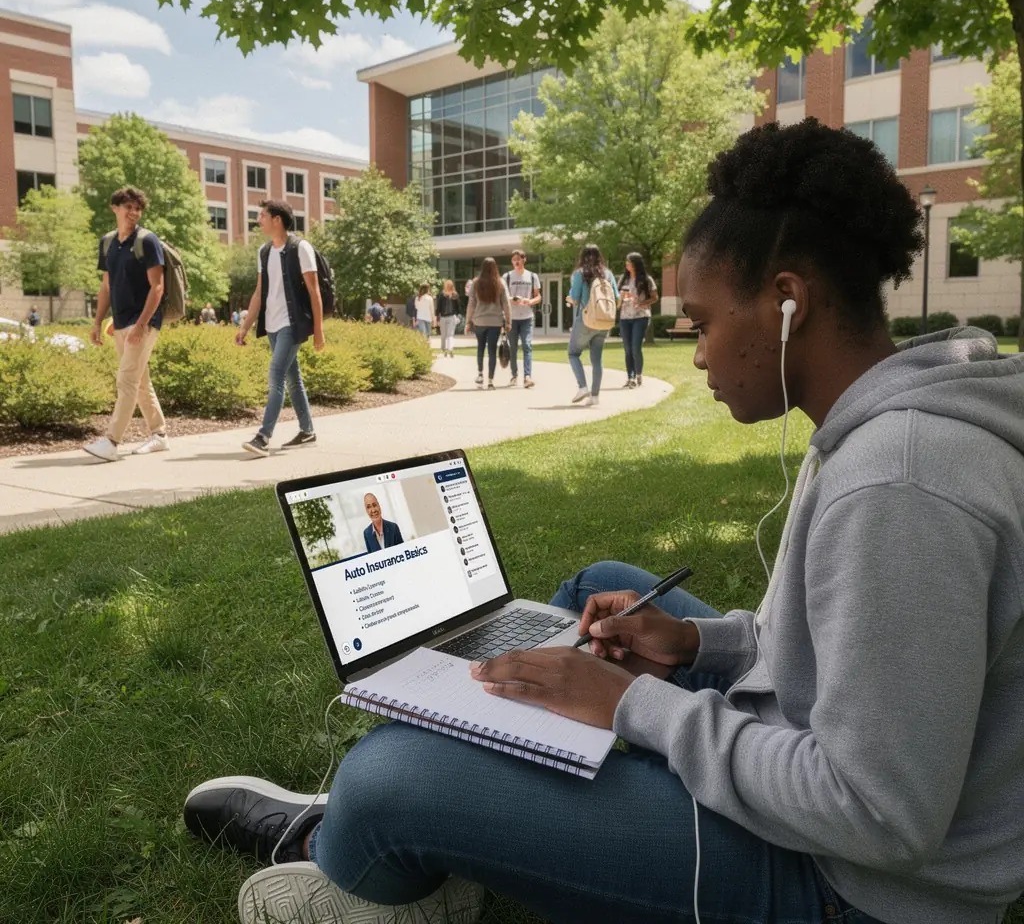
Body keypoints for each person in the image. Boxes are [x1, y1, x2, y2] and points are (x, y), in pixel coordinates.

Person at [185, 118, 1024, 924]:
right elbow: (827, 648)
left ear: (786, 304)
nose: (694, 353)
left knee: (385, 776)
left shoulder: (901, 484)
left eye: (700, 323)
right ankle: (478, 793)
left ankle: (359, 840)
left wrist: (632, 706)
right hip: (812, 790)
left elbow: (879, 815)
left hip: (842, 888)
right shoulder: (874, 430)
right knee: (600, 590)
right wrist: (698, 646)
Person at [84, 186, 169, 461]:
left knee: (127, 380)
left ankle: (111, 442)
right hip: (119, 322)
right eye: (128, 207)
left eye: (137, 208)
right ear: (115, 208)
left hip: (143, 322)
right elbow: (106, 286)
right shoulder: (107, 242)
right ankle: (159, 435)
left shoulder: (147, 240)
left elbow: (157, 287)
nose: (133, 212)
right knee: (140, 381)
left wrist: (142, 325)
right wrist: (97, 323)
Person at [235, 199, 325, 457]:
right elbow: (259, 292)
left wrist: (318, 330)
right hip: (272, 324)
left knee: (275, 376)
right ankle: (307, 431)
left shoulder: (301, 247)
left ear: (277, 219)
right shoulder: (264, 251)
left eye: (262, 215)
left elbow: (314, 290)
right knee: (292, 377)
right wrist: (244, 327)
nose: (258, 220)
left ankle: (263, 437)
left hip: (292, 323)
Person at [566, 243, 619, 407]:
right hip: (604, 322)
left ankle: (583, 387)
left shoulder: (579, 273)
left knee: (573, 353)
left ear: (582, 257)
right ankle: (595, 396)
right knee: (597, 359)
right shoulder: (608, 274)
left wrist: (568, 299)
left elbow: (574, 298)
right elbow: (616, 297)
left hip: (586, 320)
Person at [465, 257, 510, 390]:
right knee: (492, 351)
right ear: (495, 267)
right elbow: (506, 304)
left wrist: (468, 321)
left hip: (479, 321)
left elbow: (471, 303)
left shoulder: (476, 283)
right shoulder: (500, 283)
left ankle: (480, 374)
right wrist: (508, 321)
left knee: (480, 347)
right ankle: (490, 381)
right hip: (495, 322)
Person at [618, 251, 659, 388]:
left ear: (635, 264)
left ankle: (638, 375)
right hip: (625, 317)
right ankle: (630, 377)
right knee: (627, 349)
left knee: (635, 347)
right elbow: (617, 300)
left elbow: (655, 297)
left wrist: (641, 303)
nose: (626, 264)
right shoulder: (623, 280)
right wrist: (622, 297)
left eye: (628, 262)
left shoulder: (646, 279)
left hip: (641, 316)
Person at [502, 249, 540, 388]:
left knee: (527, 345)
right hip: (511, 317)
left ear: (524, 259)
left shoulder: (532, 276)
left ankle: (527, 377)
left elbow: (538, 296)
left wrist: (529, 301)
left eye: (518, 259)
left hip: (527, 317)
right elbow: (502, 296)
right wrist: (512, 299)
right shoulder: (506, 276)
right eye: (513, 259)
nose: (516, 262)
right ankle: (514, 375)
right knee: (513, 348)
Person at [436, 279, 460, 359]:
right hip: (452, 317)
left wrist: (437, 318)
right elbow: (458, 307)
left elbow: (438, 307)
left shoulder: (441, 295)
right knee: (450, 334)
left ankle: (444, 349)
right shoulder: (455, 295)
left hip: (443, 317)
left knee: (443, 335)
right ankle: (450, 349)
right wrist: (458, 315)